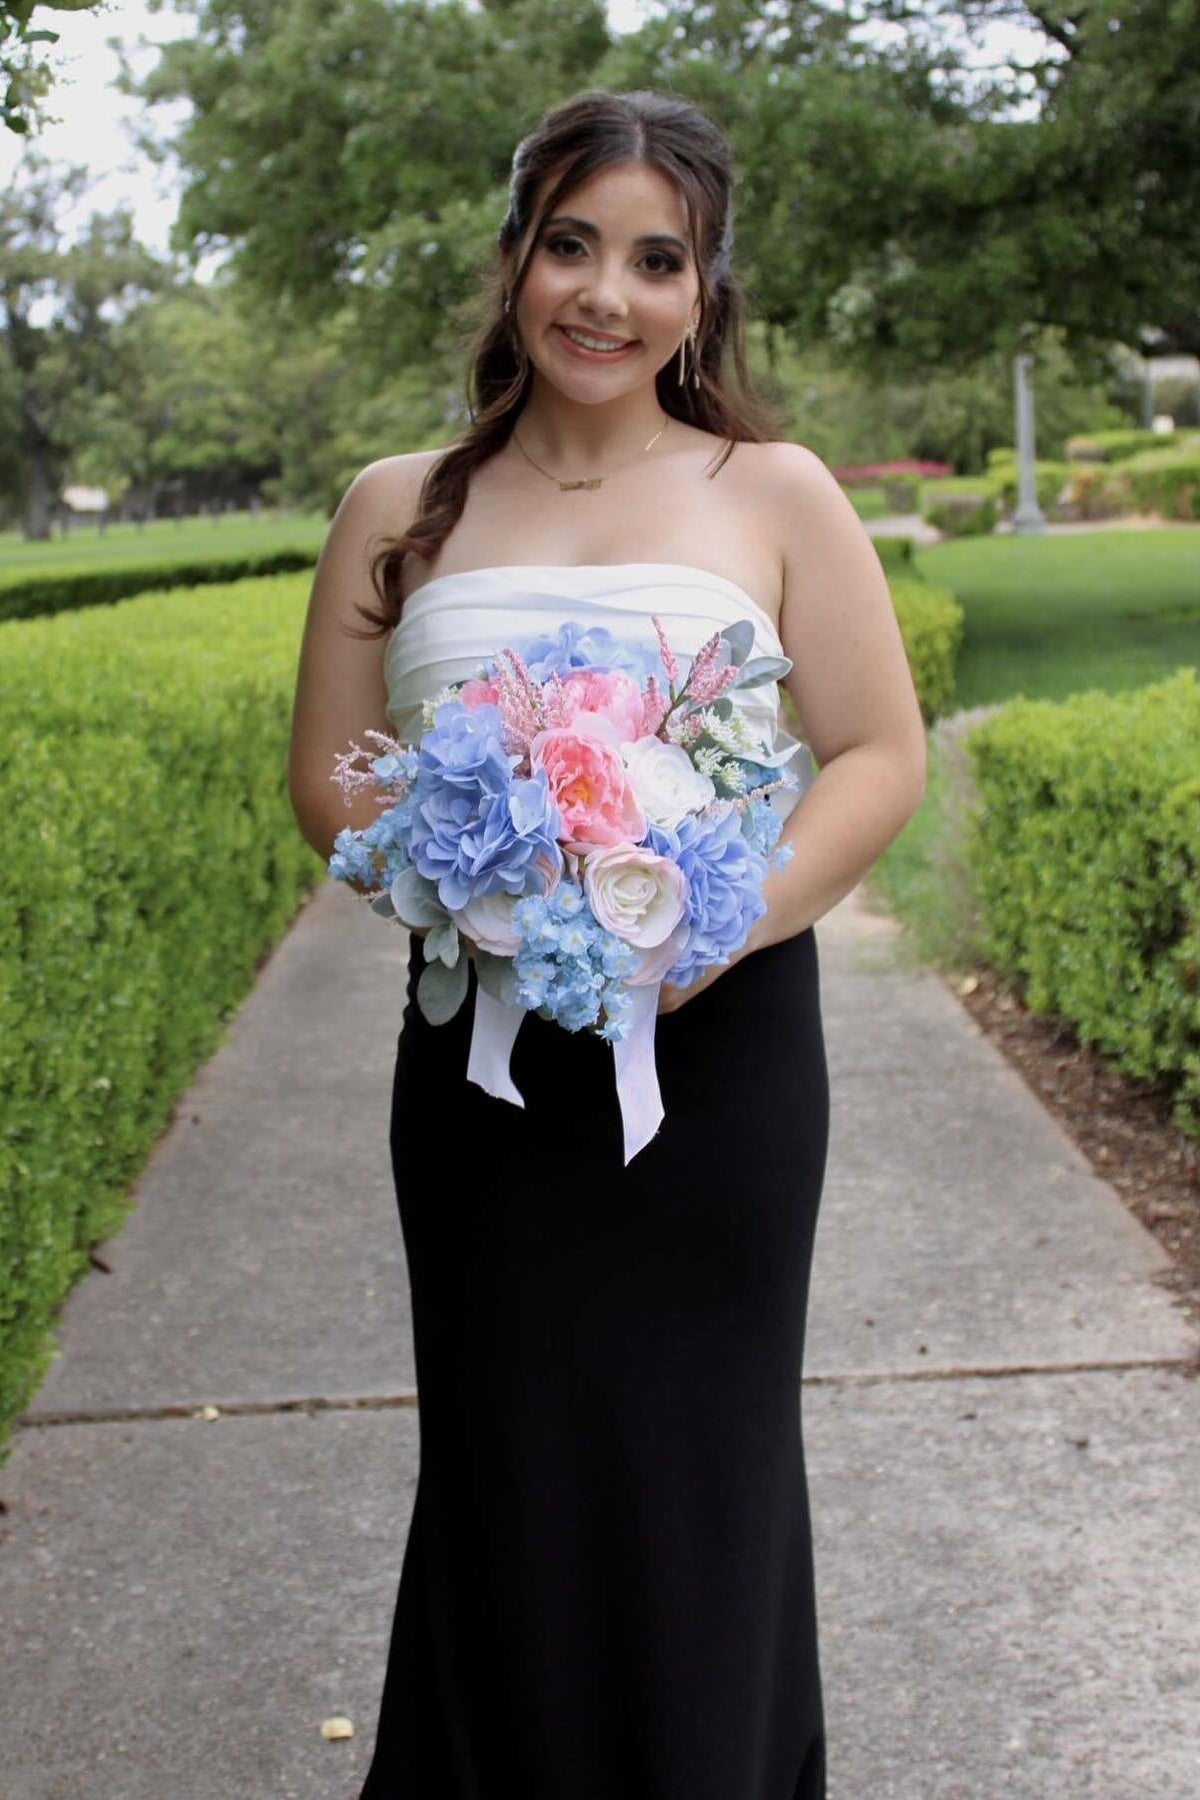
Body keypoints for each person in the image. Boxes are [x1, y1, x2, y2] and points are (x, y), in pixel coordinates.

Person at [288, 86, 926, 1800]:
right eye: (571, 245)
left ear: (703, 293)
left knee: (704, 1475)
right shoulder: (396, 503)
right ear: (511, 262)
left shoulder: (773, 491)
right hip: (486, 1077)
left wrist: (715, 925)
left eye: (657, 259)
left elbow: (879, 754)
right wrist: (473, 878)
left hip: (714, 1071)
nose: (605, 294)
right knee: (510, 1469)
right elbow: (330, 787)